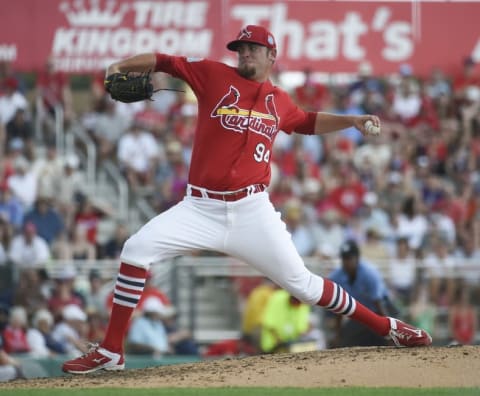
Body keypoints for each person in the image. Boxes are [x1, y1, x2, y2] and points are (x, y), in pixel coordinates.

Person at [62, 24, 432, 374]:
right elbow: (163, 61)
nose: (245, 54)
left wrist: (350, 120)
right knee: (135, 250)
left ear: (272, 54)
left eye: (253, 48)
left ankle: (389, 327)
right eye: (241, 48)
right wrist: (121, 65)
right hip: (199, 208)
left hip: (251, 209)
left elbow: (305, 120)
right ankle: (112, 350)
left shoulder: (279, 100)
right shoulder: (212, 74)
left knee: (302, 285)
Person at [327, 240, 396, 347]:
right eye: (344, 258)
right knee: (344, 343)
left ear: (357, 258)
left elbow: (378, 304)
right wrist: (338, 334)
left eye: (349, 258)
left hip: (382, 310)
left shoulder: (370, 273)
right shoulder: (337, 276)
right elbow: (339, 307)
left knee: (393, 341)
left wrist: (389, 332)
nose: (346, 262)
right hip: (361, 315)